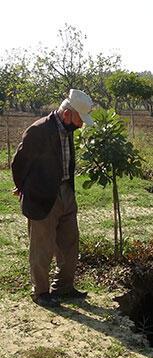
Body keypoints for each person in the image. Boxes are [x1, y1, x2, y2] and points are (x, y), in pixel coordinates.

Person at [11, 89, 95, 307]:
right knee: (42, 247)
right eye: (79, 120)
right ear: (67, 114)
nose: (80, 125)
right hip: (42, 197)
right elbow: (18, 164)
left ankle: (63, 287)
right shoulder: (38, 130)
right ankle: (40, 292)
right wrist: (23, 188)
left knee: (70, 243)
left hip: (66, 192)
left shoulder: (67, 130)